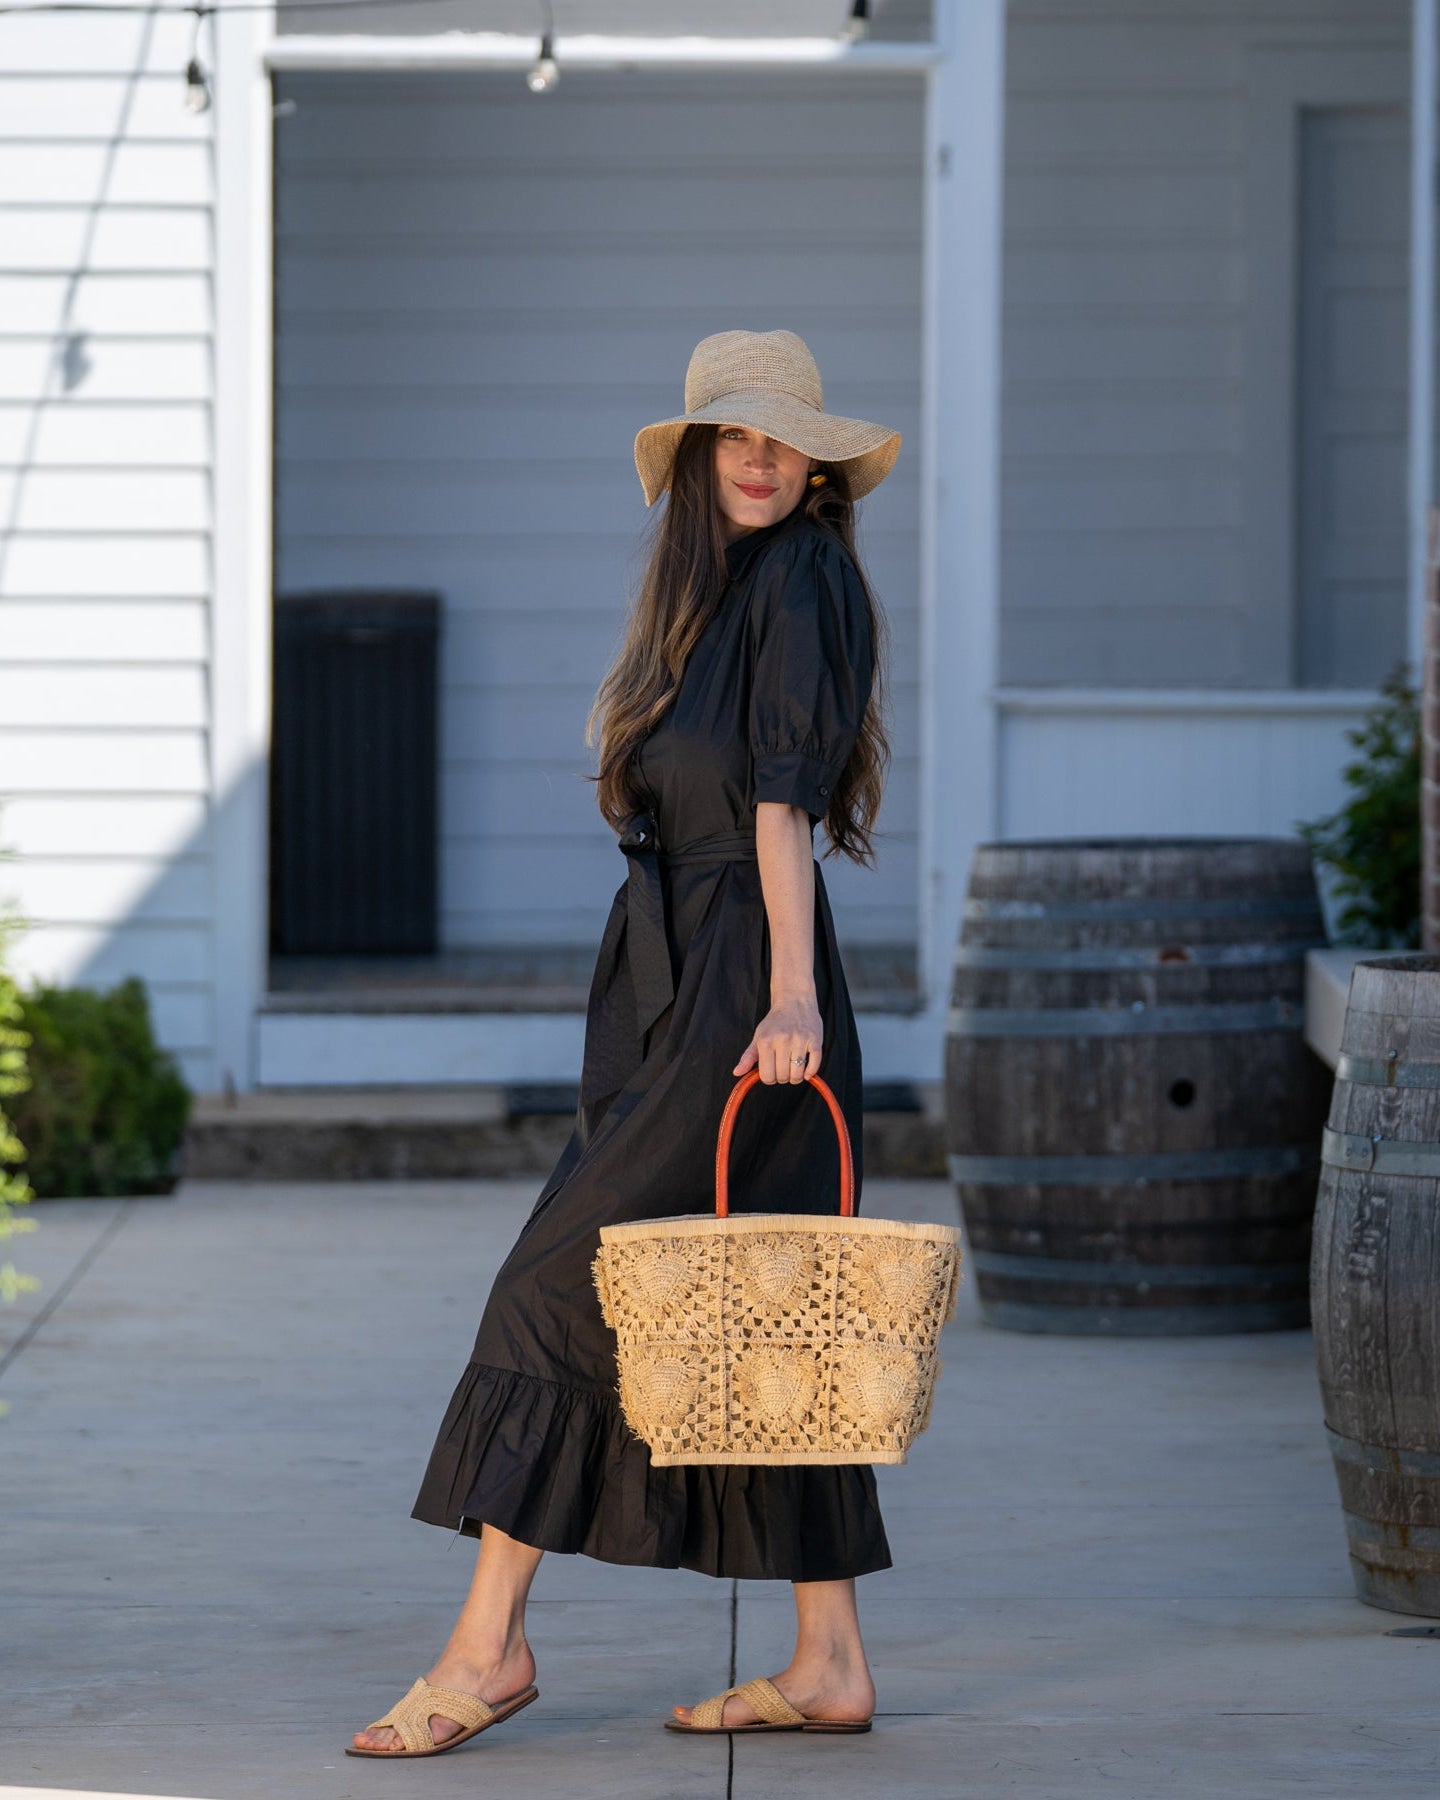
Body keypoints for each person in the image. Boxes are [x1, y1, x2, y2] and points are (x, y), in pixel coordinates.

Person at [347, 328, 902, 1759]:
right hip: (677, 980)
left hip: (745, 990)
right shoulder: (707, 601)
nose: (761, 460)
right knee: (768, 1309)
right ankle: (829, 1660)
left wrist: (788, 998)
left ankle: (490, 1648)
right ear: (701, 459)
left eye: (783, 440)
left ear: (817, 467)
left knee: (557, 1282)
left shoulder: (804, 575)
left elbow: (781, 805)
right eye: (735, 436)